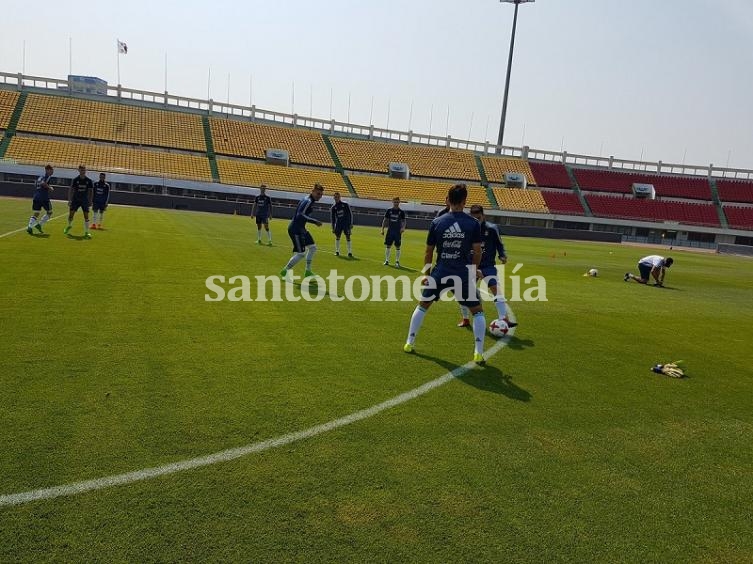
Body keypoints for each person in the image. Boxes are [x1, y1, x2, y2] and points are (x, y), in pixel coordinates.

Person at [403, 184, 487, 365]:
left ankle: (409, 342)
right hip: (462, 274)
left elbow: (428, 252)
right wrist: (473, 271)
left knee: (422, 306)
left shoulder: (437, 222)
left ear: (448, 200)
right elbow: (478, 251)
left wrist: (426, 274)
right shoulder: (473, 224)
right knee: (477, 312)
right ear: (465, 201)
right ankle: (478, 353)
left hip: (440, 272)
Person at [457, 205, 517, 329]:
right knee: (463, 292)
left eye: (478, 218)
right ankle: (465, 319)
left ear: (483, 216)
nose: (476, 221)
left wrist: (502, 255)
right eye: (473, 218)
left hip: (488, 265)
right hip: (472, 265)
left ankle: (503, 319)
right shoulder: (468, 229)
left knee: (496, 288)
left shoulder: (492, 229)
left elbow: (499, 244)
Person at [279, 184, 325, 279]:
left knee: (312, 247)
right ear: (312, 191)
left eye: (321, 194)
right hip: (295, 229)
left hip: (301, 228)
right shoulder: (308, 201)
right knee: (301, 254)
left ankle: (308, 272)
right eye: (318, 193)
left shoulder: (308, 200)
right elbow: (300, 215)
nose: (319, 196)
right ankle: (285, 271)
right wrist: (314, 221)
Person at [64, 165, 94, 238]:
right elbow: (71, 190)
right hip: (75, 200)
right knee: (71, 214)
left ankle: (87, 232)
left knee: (86, 216)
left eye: (84, 170)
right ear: (79, 170)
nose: (83, 171)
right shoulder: (75, 180)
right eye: (81, 170)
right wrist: (69, 200)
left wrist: (90, 201)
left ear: (85, 170)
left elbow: (91, 191)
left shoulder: (89, 181)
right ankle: (69, 226)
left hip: (84, 200)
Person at [26, 164, 55, 234]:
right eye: (51, 170)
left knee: (37, 212)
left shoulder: (40, 177)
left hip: (36, 196)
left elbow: (36, 184)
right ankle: (39, 225)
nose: (52, 172)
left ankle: (29, 227)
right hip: (44, 198)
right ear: (47, 170)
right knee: (50, 212)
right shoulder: (47, 177)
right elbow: (43, 183)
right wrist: (49, 188)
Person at [381, 197, 406, 267]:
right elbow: (385, 220)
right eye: (395, 202)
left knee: (398, 246)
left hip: (398, 232)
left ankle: (397, 261)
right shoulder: (389, 210)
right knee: (388, 245)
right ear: (392, 202)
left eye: (397, 202)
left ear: (399, 202)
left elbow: (404, 221)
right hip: (390, 231)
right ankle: (386, 260)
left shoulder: (401, 212)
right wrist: (382, 229)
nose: (396, 203)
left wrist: (403, 228)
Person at [330, 191, 354, 257]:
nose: (336, 198)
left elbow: (350, 214)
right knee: (337, 237)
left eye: (337, 197)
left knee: (348, 237)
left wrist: (351, 223)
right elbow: (333, 219)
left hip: (346, 224)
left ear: (340, 197)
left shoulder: (345, 204)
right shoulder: (333, 207)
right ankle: (337, 251)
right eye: (335, 197)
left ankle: (349, 252)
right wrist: (333, 227)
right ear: (334, 198)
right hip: (338, 224)